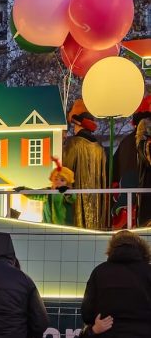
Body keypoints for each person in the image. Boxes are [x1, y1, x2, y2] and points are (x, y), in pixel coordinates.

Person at [81, 230, 151, 337]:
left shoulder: (99, 271)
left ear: (111, 248)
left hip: (107, 333)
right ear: (141, 247)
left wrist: (94, 328)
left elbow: (87, 313)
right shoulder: (148, 271)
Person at [63, 99, 108, 229]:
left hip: (77, 201)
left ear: (78, 125)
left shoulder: (74, 144)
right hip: (97, 203)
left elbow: (65, 173)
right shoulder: (100, 148)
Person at [111, 95, 151, 227]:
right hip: (141, 195)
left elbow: (113, 170)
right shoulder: (144, 142)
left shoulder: (126, 142)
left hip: (128, 199)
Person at [23, 157, 76, 225]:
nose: (58, 182)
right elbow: (35, 194)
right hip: (47, 225)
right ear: (52, 180)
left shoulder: (67, 192)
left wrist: (66, 192)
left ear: (67, 182)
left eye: (62, 180)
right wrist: (23, 189)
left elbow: (72, 198)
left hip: (64, 225)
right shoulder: (47, 191)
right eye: (56, 179)